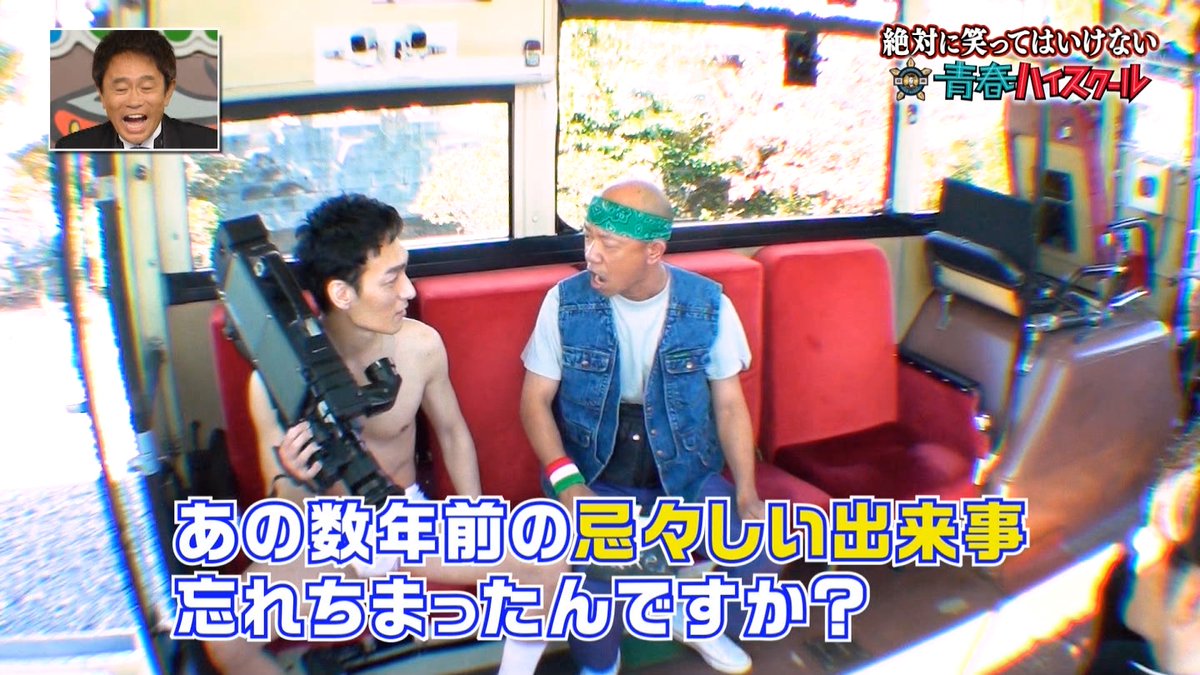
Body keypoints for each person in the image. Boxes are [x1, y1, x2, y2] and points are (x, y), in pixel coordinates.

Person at [204, 194, 557, 675]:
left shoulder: (420, 345)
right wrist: (294, 473)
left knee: (547, 565)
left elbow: (453, 432)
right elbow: (281, 509)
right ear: (341, 293)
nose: (408, 291)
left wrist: (473, 513)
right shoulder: (271, 382)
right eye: (391, 279)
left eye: (405, 272)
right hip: (326, 534)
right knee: (223, 638)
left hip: (405, 520)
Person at [519, 179, 768, 675]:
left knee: (758, 552)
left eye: (609, 244)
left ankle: (690, 615)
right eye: (588, 237)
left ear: (654, 251)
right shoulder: (563, 303)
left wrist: (746, 488)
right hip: (595, 470)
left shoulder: (707, 304)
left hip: (685, 468)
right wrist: (568, 485)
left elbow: (729, 406)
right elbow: (534, 402)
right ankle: (601, 662)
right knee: (594, 591)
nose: (591, 254)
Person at [55, 30, 218, 150]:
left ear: (168, 92)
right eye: (121, 89)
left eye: (146, 87)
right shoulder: (71, 147)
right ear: (101, 94)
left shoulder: (208, 143)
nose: (134, 101)